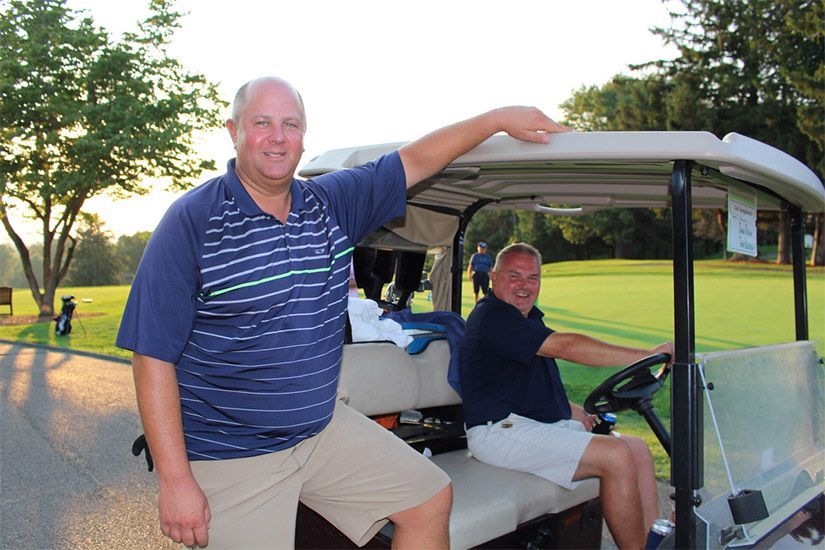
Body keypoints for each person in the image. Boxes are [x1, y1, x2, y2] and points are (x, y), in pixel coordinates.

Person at [116, 76, 570, 549]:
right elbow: (152, 358)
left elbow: (414, 160)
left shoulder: (330, 203)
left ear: (304, 135)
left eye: (290, 124)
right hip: (232, 452)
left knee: (428, 498)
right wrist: (175, 481)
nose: (277, 136)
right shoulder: (193, 222)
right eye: (262, 123)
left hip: (320, 428)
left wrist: (498, 119)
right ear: (233, 131)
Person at [458, 243, 674, 549]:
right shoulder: (493, 316)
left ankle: (655, 542)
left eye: (533, 278)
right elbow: (566, 346)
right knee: (616, 456)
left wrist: (571, 409)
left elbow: (522, 383)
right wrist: (646, 355)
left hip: (525, 424)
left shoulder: (526, 319)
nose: (525, 285)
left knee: (637, 448)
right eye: (515, 275)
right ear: (493, 277)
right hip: (498, 431)